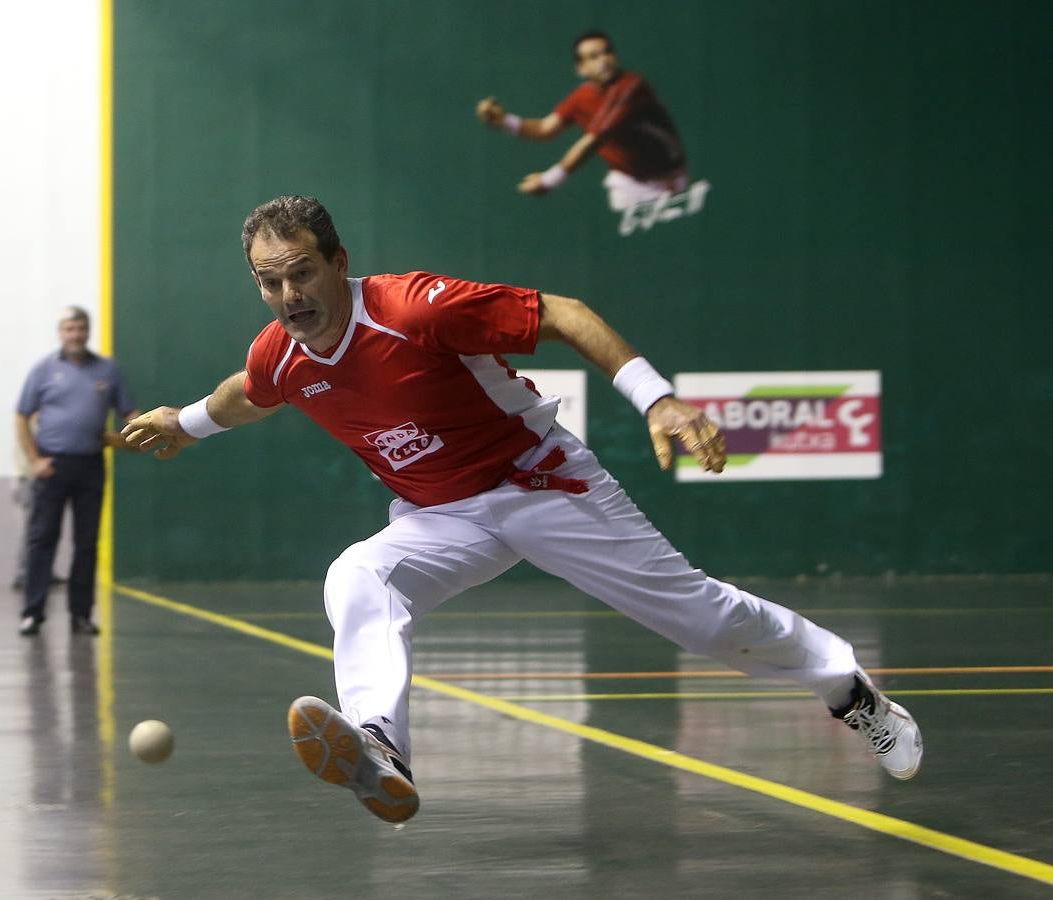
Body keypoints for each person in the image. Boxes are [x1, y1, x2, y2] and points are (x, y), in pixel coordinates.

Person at [122, 195, 922, 824]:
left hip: (542, 484)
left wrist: (658, 400)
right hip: (441, 517)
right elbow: (250, 394)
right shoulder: (282, 352)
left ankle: (847, 689)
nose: (289, 295)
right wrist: (183, 423)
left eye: (302, 272)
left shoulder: (416, 310)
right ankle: (379, 746)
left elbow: (564, 313)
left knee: (705, 621)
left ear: (340, 261)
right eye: (270, 281)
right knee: (359, 575)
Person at [476, 30, 707, 234]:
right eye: (594, 57)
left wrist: (549, 180)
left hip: (668, 177)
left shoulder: (630, 86)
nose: (604, 61)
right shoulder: (582, 96)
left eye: (607, 53)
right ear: (581, 68)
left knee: (665, 241)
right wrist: (503, 121)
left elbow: (593, 141)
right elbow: (546, 129)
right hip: (627, 180)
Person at [15, 306, 140, 637]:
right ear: (61, 332)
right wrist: (34, 460)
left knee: (87, 542)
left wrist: (141, 431)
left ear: (88, 331)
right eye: (69, 328)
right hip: (51, 466)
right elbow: (21, 415)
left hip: (90, 466)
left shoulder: (107, 370)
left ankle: (81, 614)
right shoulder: (43, 370)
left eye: (81, 328)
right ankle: (32, 613)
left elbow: (130, 413)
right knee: (42, 539)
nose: (76, 334)